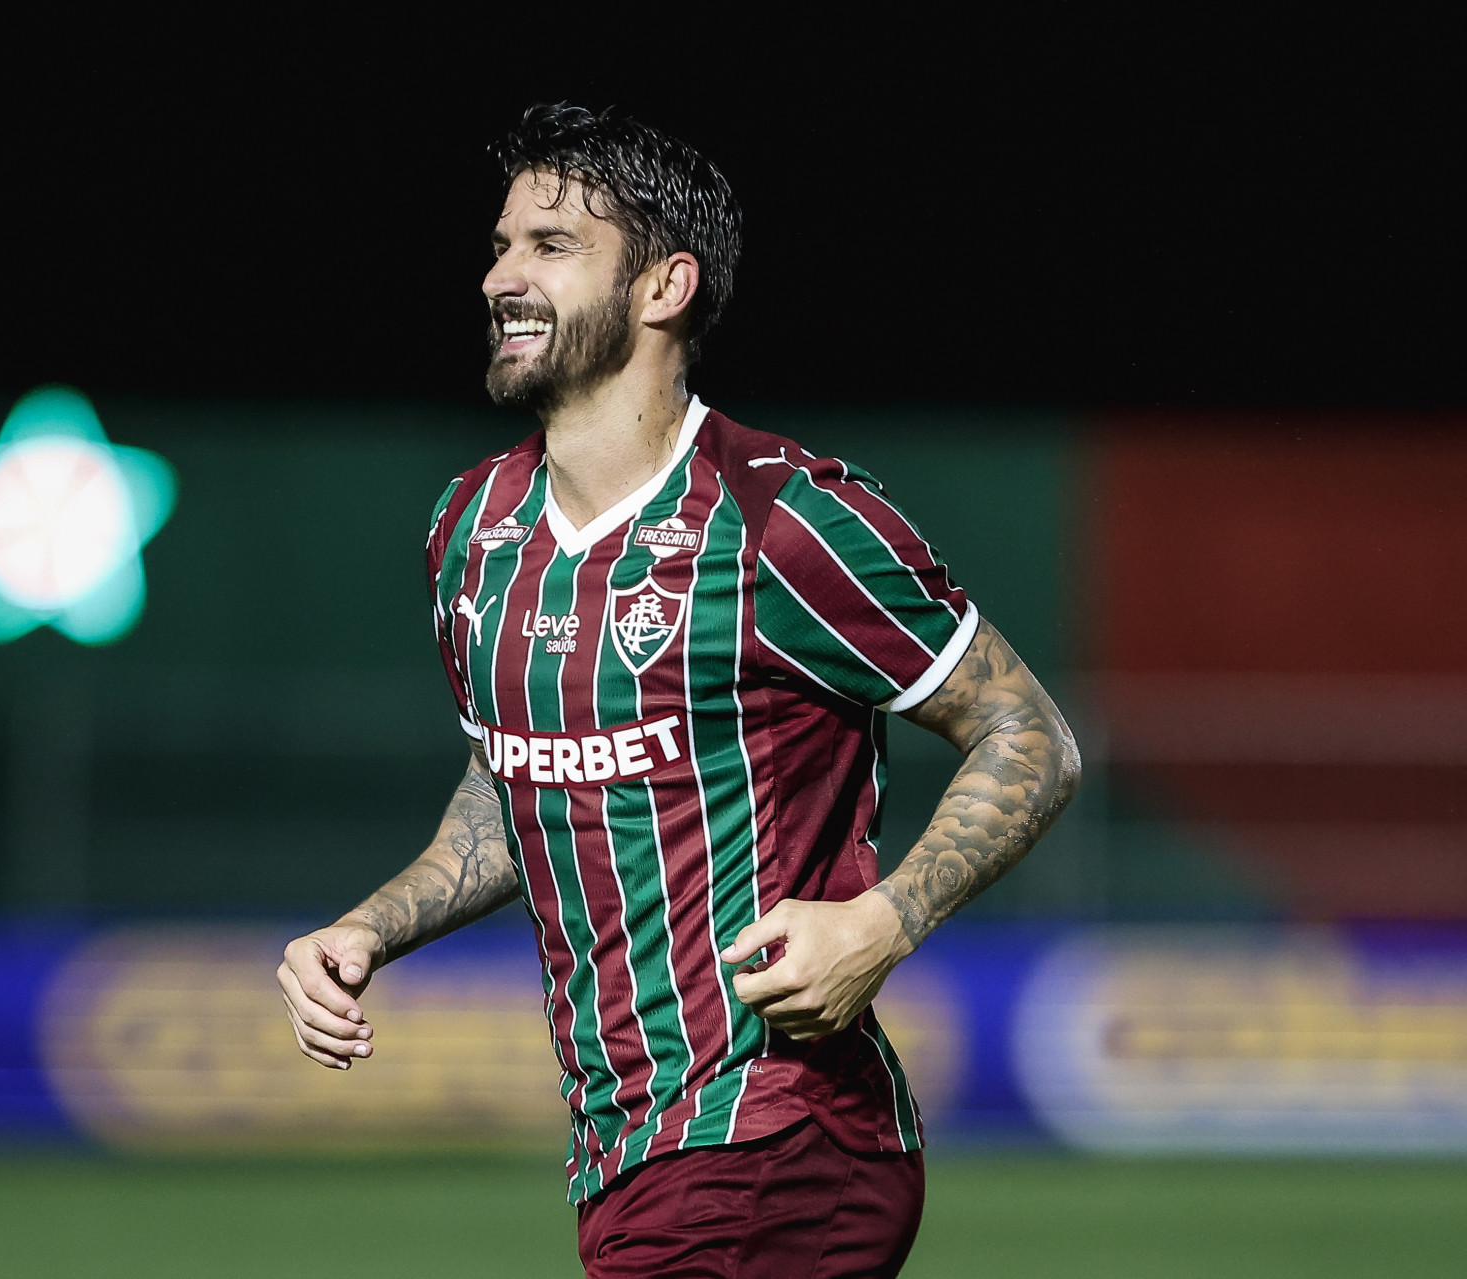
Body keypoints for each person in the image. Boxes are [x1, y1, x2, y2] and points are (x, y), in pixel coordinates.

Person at [277, 103, 1080, 1278]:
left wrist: (884, 920)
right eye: (501, 245)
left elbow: (1030, 732)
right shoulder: (474, 532)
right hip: (625, 1155)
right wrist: (368, 928)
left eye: (552, 246)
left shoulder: (786, 523)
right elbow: (519, 782)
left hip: (779, 1141)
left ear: (664, 287)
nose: (503, 275)